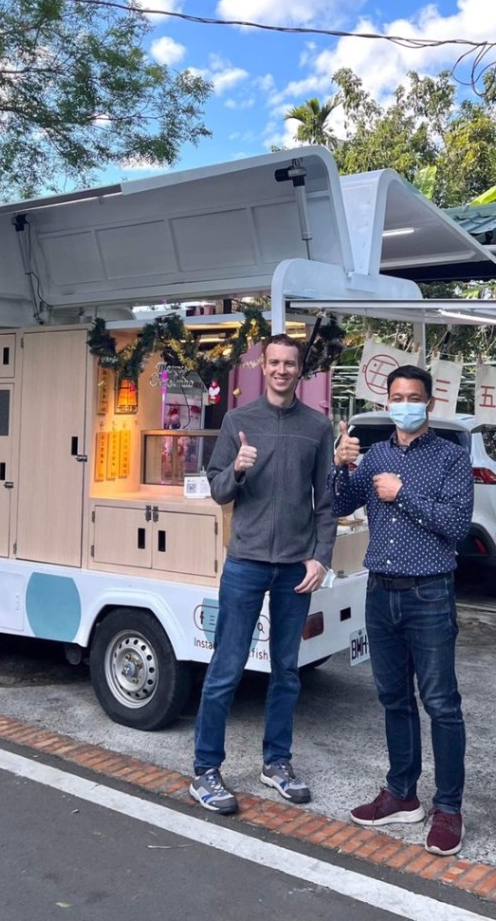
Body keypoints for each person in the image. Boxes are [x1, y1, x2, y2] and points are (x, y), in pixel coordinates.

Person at [189, 333, 336, 816]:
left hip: (295, 566)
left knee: (287, 671)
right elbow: (217, 491)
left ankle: (277, 763)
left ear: (300, 369)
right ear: (263, 367)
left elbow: (326, 503)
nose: (281, 370)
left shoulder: (317, 427)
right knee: (226, 668)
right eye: (274, 362)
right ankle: (206, 770)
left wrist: (321, 558)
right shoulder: (237, 420)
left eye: (289, 363)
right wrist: (237, 467)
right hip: (246, 563)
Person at [332, 364, 473, 857]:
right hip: (380, 593)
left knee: (441, 703)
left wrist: (403, 495)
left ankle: (449, 808)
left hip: (429, 595)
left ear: (430, 403)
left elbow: (457, 525)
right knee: (393, 698)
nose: (405, 403)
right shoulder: (374, 459)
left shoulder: (451, 459)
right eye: (397, 396)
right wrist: (342, 464)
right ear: (387, 400)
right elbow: (338, 503)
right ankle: (401, 793)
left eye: (414, 396)